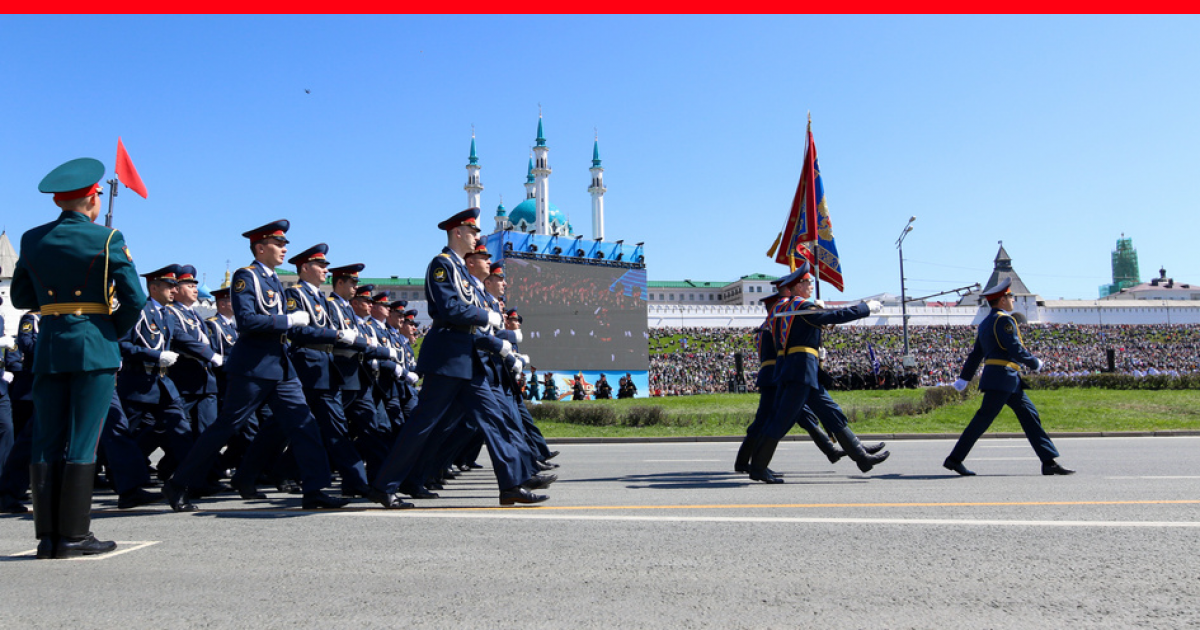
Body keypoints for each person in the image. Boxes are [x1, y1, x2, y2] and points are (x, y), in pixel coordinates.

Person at [367, 208, 551, 507]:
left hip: (469, 357)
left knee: (496, 420)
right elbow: (450, 309)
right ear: (458, 233)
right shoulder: (441, 266)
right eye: (474, 232)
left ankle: (512, 485)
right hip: (449, 355)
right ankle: (384, 485)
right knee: (422, 426)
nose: (478, 236)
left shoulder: (463, 272)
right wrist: (487, 315)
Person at [10, 157, 146, 558]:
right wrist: (110, 329)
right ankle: (74, 535)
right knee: (84, 440)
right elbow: (135, 298)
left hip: (50, 346)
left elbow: (20, 298)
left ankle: (48, 538)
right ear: (91, 198)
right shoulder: (106, 238)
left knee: (46, 440)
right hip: (94, 346)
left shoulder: (32, 238)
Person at [162, 220, 348, 511]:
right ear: (260, 248)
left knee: (304, 425)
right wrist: (287, 320)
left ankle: (315, 489)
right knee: (226, 427)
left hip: (281, 367)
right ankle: (178, 484)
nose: (284, 249)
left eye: (285, 244)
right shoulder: (245, 277)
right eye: (279, 244)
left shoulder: (274, 280)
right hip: (254, 365)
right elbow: (246, 321)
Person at [748, 263, 888, 483]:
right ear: (798, 286)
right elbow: (837, 315)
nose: (811, 286)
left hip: (802, 370)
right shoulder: (801, 307)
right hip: (800, 371)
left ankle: (861, 457)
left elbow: (816, 324)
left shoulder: (788, 308)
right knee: (781, 421)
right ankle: (757, 467)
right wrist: (866, 308)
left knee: (830, 411)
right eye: (808, 282)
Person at [943, 278, 1074, 476]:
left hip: (1007, 381)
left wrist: (965, 378)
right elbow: (1015, 348)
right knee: (982, 421)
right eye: (1010, 296)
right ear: (1002, 300)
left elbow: (976, 354)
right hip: (1002, 379)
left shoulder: (986, 323)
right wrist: (1034, 363)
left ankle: (1048, 461)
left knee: (1030, 416)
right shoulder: (1004, 320)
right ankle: (954, 459)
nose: (1012, 299)